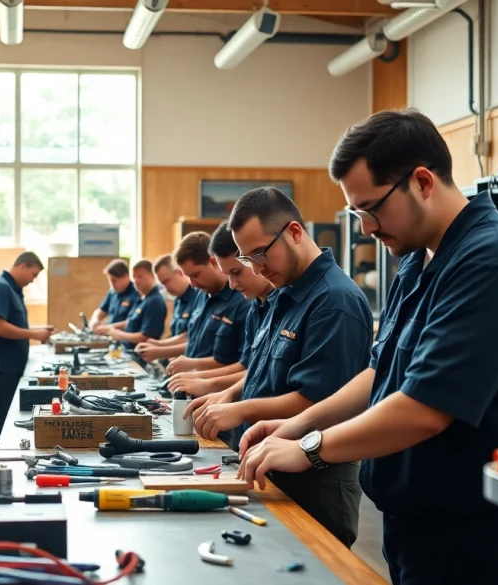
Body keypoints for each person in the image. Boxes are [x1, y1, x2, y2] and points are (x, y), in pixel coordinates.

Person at [236, 110, 498, 585]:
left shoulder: (493, 261)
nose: (366, 228)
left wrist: (311, 449)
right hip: (418, 527)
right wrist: (297, 423)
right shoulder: (418, 260)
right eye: (357, 214)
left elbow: (426, 409)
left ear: (423, 181)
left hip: (479, 541)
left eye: (372, 209)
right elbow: (382, 371)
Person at [188, 191, 373, 546]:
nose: (256, 269)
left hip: (314, 478)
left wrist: (239, 409)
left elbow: (316, 401)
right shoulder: (282, 294)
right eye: (247, 258)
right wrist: (229, 396)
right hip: (271, 464)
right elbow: (259, 371)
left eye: (259, 254)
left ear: (294, 232)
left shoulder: (334, 301)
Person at [169, 221, 274, 398]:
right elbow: (250, 366)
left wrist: (204, 380)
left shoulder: (245, 302)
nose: (232, 284)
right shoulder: (256, 305)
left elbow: (252, 370)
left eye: (237, 272)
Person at [137, 232, 247, 372]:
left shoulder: (241, 300)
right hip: (191, 386)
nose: (193, 284)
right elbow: (192, 338)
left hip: (215, 389)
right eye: (189, 277)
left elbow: (241, 364)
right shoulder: (201, 294)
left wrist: (191, 364)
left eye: (196, 275)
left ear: (213, 262)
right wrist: (161, 346)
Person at [0, 252, 55, 449]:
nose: (33, 280)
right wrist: (33, 334)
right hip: (2, 365)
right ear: (23, 266)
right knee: (3, 419)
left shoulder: (12, 289)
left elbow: (12, 324)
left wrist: (37, 331)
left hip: (9, 364)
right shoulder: (1, 288)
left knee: (4, 416)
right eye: (34, 274)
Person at [102, 259, 168, 349]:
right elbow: (131, 322)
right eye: (134, 277)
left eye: (140, 277)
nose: (136, 281)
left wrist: (120, 335)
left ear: (152, 276)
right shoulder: (142, 299)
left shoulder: (154, 301)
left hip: (140, 355)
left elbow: (146, 337)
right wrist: (110, 328)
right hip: (125, 349)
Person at [153, 254, 198, 338]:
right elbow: (175, 335)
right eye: (163, 284)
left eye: (167, 281)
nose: (166, 288)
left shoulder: (198, 298)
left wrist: (158, 348)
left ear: (179, 272)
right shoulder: (178, 300)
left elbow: (190, 338)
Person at [88, 260, 137, 331]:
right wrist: (95, 319)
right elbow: (101, 310)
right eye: (110, 281)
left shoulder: (136, 294)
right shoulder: (112, 292)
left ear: (125, 276)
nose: (112, 284)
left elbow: (132, 321)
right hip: (111, 335)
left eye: (114, 280)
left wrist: (108, 328)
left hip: (125, 337)